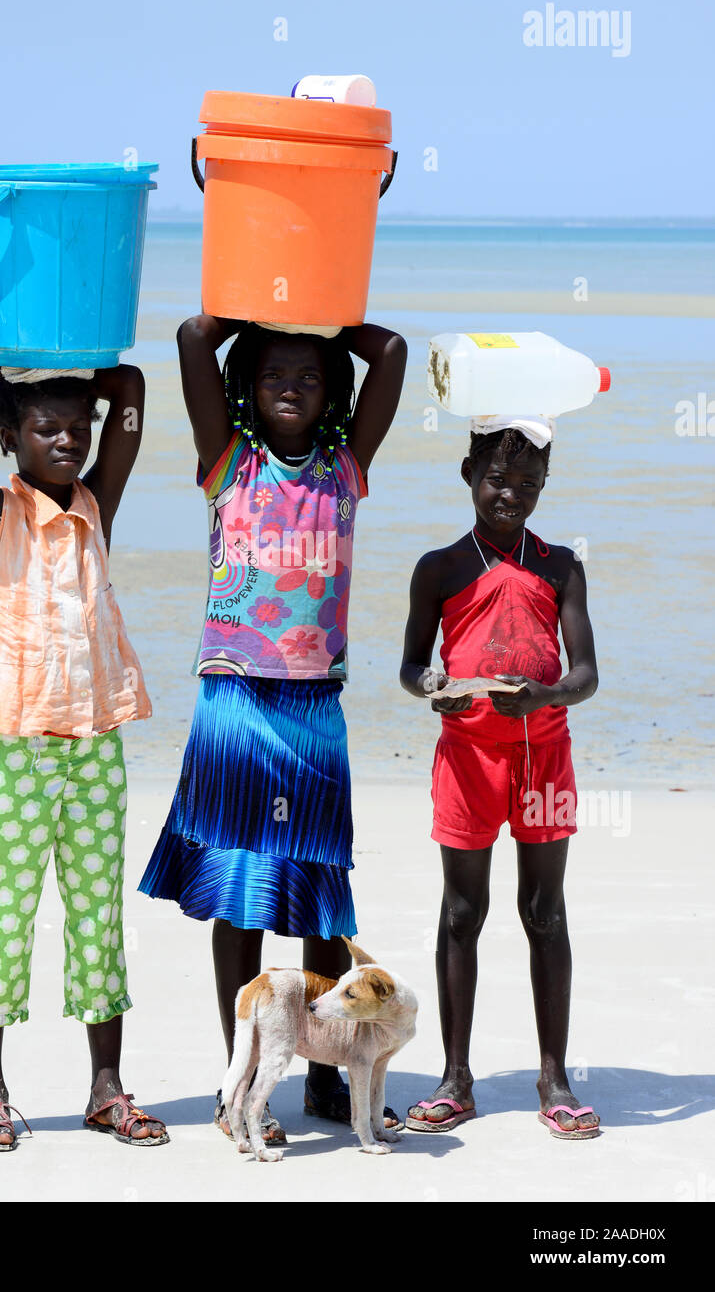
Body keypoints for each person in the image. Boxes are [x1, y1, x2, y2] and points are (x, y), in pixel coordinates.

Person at [139, 315, 406, 1142]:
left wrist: (327, 307)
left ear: (332, 397)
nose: (290, 386)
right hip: (236, 701)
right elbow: (191, 340)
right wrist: (252, 307)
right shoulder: (229, 461)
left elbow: (391, 353)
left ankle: (327, 1075)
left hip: (313, 706)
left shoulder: (345, 465)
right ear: (246, 387)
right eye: (273, 373)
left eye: (310, 376)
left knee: (320, 895)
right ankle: (241, 1077)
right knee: (242, 894)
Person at [0, 194, 167, 1151]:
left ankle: (106, 1085)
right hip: (15, 755)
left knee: (96, 919)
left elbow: (137, 392)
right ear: (13, 437)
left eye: (76, 427)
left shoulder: (95, 510)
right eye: (45, 428)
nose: (68, 439)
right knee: (0, 913)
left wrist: (85, 346)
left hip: (94, 753)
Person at [400, 420, 601, 1139]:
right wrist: (432, 687)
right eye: (496, 479)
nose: (509, 494)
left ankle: (554, 1077)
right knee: (462, 913)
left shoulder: (561, 567)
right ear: (467, 475)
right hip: (467, 758)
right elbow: (411, 666)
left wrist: (545, 697)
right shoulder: (440, 568)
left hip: (541, 755)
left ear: (543, 486)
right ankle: (455, 1078)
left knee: (544, 912)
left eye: (526, 483)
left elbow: (584, 674)